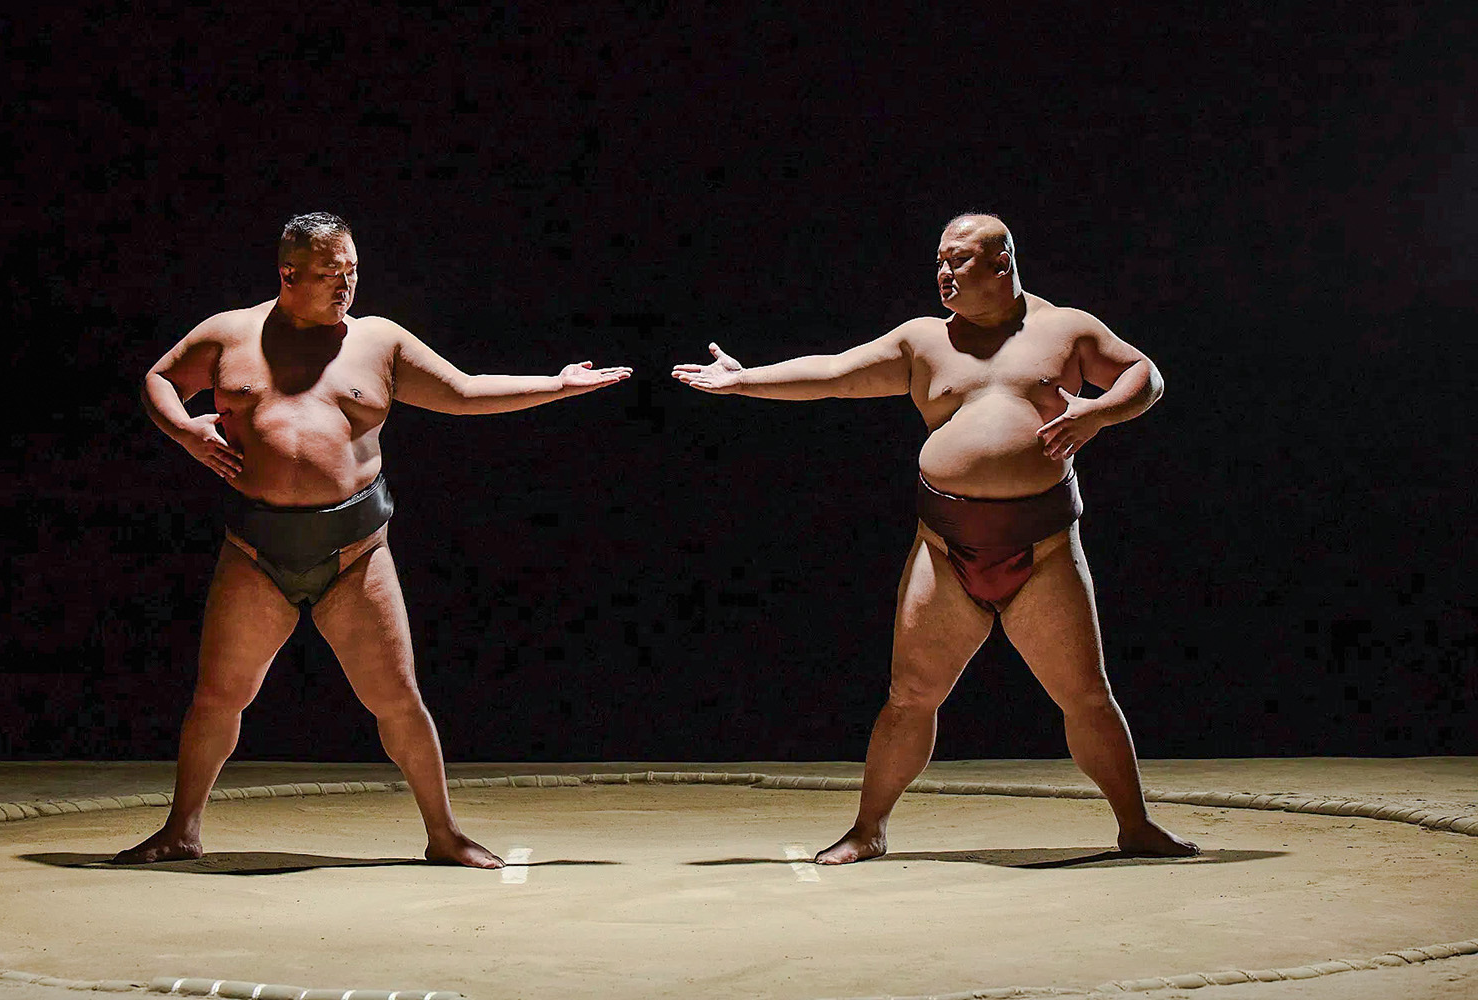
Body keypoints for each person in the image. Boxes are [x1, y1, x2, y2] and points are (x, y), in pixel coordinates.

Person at [673, 213, 1197, 863]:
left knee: (1087, 695)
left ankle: (1135, 824)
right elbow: (836, 374)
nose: (943, 273)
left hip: (1043, 548)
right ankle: (868, 830)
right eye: (939, 262)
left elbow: (1144, 374)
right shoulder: (923, 341)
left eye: (959, 261)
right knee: (910, 696)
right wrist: (744, 379)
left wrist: (1099, 412)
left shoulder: (1066, 329)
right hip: (944, 548)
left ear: (1001, 263)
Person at [117, 212, 631, 868]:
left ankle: (444, 833)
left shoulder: (379, 341)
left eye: (353, 270)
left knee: (396, 699)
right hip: (254, 552)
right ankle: (181, 829)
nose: (347, 285)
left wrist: (555, 385)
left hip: (355, 553)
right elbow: (159, 379)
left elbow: (466, 393)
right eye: (332, 272)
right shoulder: (229, 333)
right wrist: (187, 433)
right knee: (219, 696)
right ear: (289, 274)